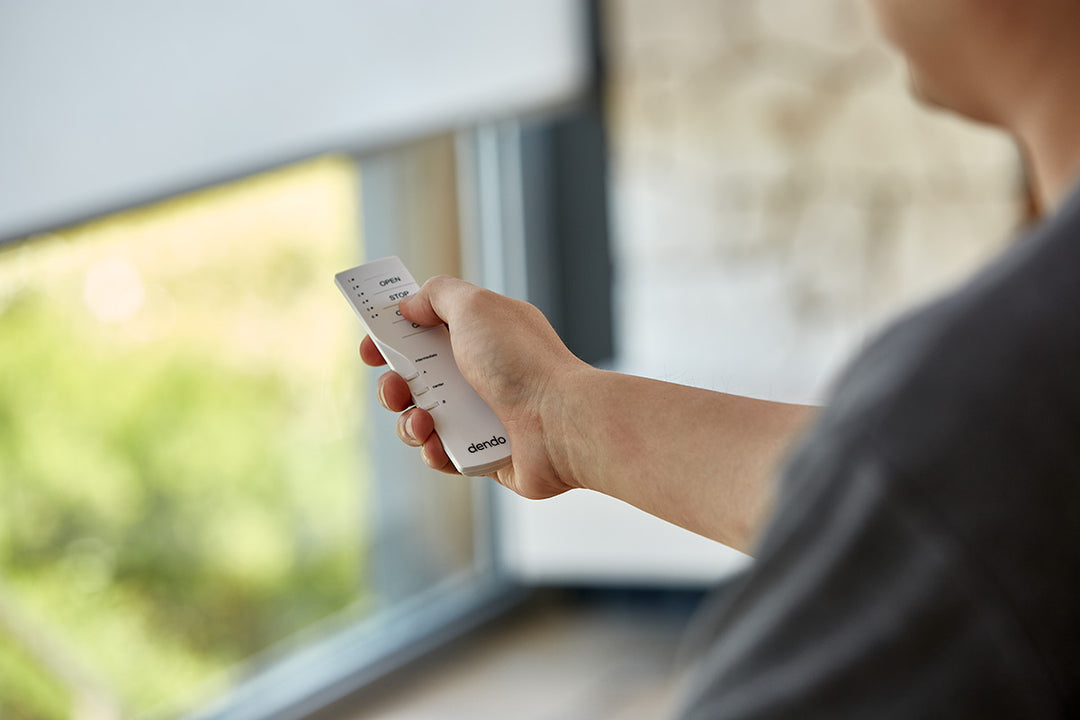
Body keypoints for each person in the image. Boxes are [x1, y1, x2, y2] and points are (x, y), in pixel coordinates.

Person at [361, 0, 1080, 715]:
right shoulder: (975, 440)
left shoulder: (977, 403)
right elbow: (923, 507)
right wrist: (556, 415)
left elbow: (931, 497)